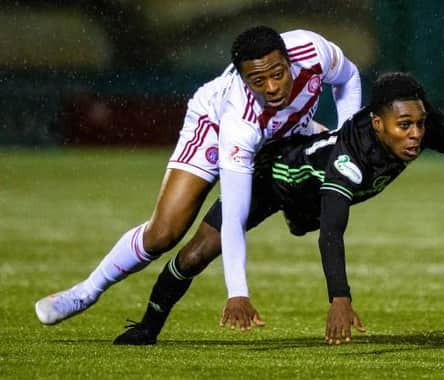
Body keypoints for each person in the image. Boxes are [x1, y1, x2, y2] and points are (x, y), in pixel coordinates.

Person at [111, 72, 444, 345]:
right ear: (377, 122)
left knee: (302, 221)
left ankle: (295, 220)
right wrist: (340, 299)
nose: (415, 134)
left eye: (420, 124)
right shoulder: (352, 158)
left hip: (307, 200)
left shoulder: (426, 128)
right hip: (272, 179)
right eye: (403, 125)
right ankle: (148, 326)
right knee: (195, 254)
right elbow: (333, 231)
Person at [35, 25, 362, 325]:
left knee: (343, 164)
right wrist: (238, 292)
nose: (273, 87)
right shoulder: (239, 120)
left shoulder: (313, 51)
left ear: (288, 60)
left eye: (278, 74)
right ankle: (86, 292)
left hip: (289, 130)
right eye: (258, 81)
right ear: (243, 79)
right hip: (213, 126)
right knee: (164, 234)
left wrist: (344, 140)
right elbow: (234, 215)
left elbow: (349, 78)